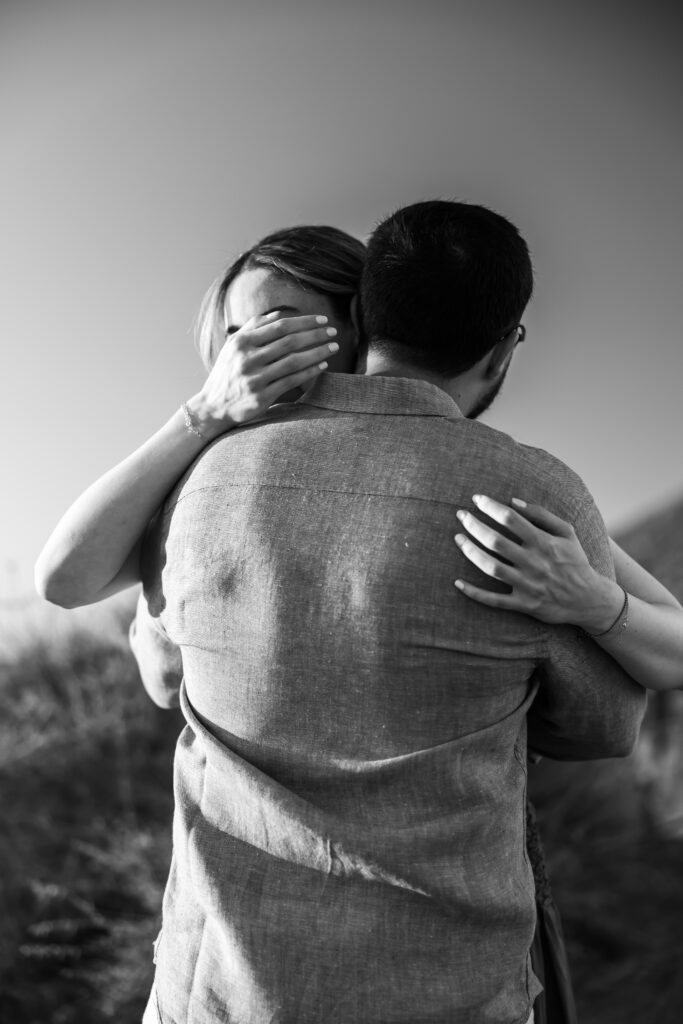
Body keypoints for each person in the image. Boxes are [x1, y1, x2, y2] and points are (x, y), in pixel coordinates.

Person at [34, 216, 681, 1024]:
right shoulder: (517, 486)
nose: (261, 354)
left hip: (224, 986)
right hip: (442, 984)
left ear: (362, 320)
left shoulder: (198, 492)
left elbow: (161, 672)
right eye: (242, 335)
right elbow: (605, 720)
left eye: (291, 324)